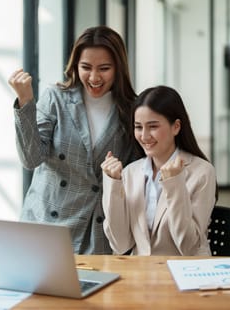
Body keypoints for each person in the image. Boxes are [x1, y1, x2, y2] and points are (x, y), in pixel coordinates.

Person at [8, 26, 137, 254]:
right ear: (75, 66)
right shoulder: (56, 98)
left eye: (104, 68)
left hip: (97, 230)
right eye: (86, 67)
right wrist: (25, 100)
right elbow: (30, 158)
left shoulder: (131, 109)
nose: (94, 77)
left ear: (119, 68)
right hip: (47, 224)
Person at [101, 85, 217, 256]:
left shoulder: (202, 172)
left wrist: (175, 183)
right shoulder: (130, 172)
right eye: (138, 127)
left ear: (176, 127)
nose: (144, 136)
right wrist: (113, 184)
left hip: (186, 274)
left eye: (153, 126)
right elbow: (120, 244)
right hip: (141, 274)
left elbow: (189, 248)